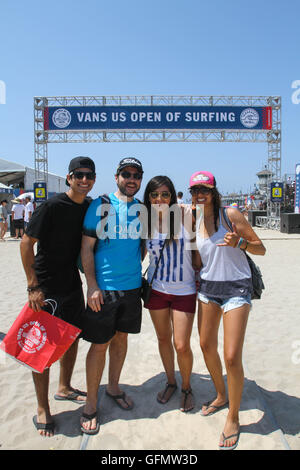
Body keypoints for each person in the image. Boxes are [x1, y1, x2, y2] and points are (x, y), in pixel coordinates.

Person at [20, 156, 96, 437]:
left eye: (89, 175)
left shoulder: (89, 207)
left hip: (72, 283)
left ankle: (64, 387)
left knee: (71, 336)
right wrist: (32, 286)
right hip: (46, 286)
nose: (84, 180)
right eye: (79, 175)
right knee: (40, 349)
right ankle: (42, 408)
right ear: (69, 177)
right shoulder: (51, 206)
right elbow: (27, 243)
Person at [190, 171, 266, 450]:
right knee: (205, 345)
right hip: (208, 288)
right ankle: (221, 395)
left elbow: (261, 249)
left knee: (232, 356)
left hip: (237, 288)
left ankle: (233, 417)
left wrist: (241, 243)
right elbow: (199, 257)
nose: (200, 194)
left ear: (214, 190)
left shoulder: (230, 215)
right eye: (195, 189)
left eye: (205, 189)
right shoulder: (194, 220)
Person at [80, 157, 144, 435]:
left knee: (121, 339)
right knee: (99, 345)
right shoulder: (101, 205)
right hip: (104, 289)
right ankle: (90, 404)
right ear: (117, 176)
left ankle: (114, 387)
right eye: (126, 174)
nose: (132, 179)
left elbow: (142, 246)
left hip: (131, 288)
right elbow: (86, 247)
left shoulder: (142, 209)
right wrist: (92, 284)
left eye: (136, 175)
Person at [143, 176, 197, 412]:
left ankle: (186, 387)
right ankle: (171, 382)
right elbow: (140, 255)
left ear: (173, 196)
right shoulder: (145, 222)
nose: (159, 199)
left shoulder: (186, 216)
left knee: (182, 344)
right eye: (154, 195)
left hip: (184, 290)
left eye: (165, 194)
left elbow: (197, 252)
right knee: (164, 340)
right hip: (157, 290)